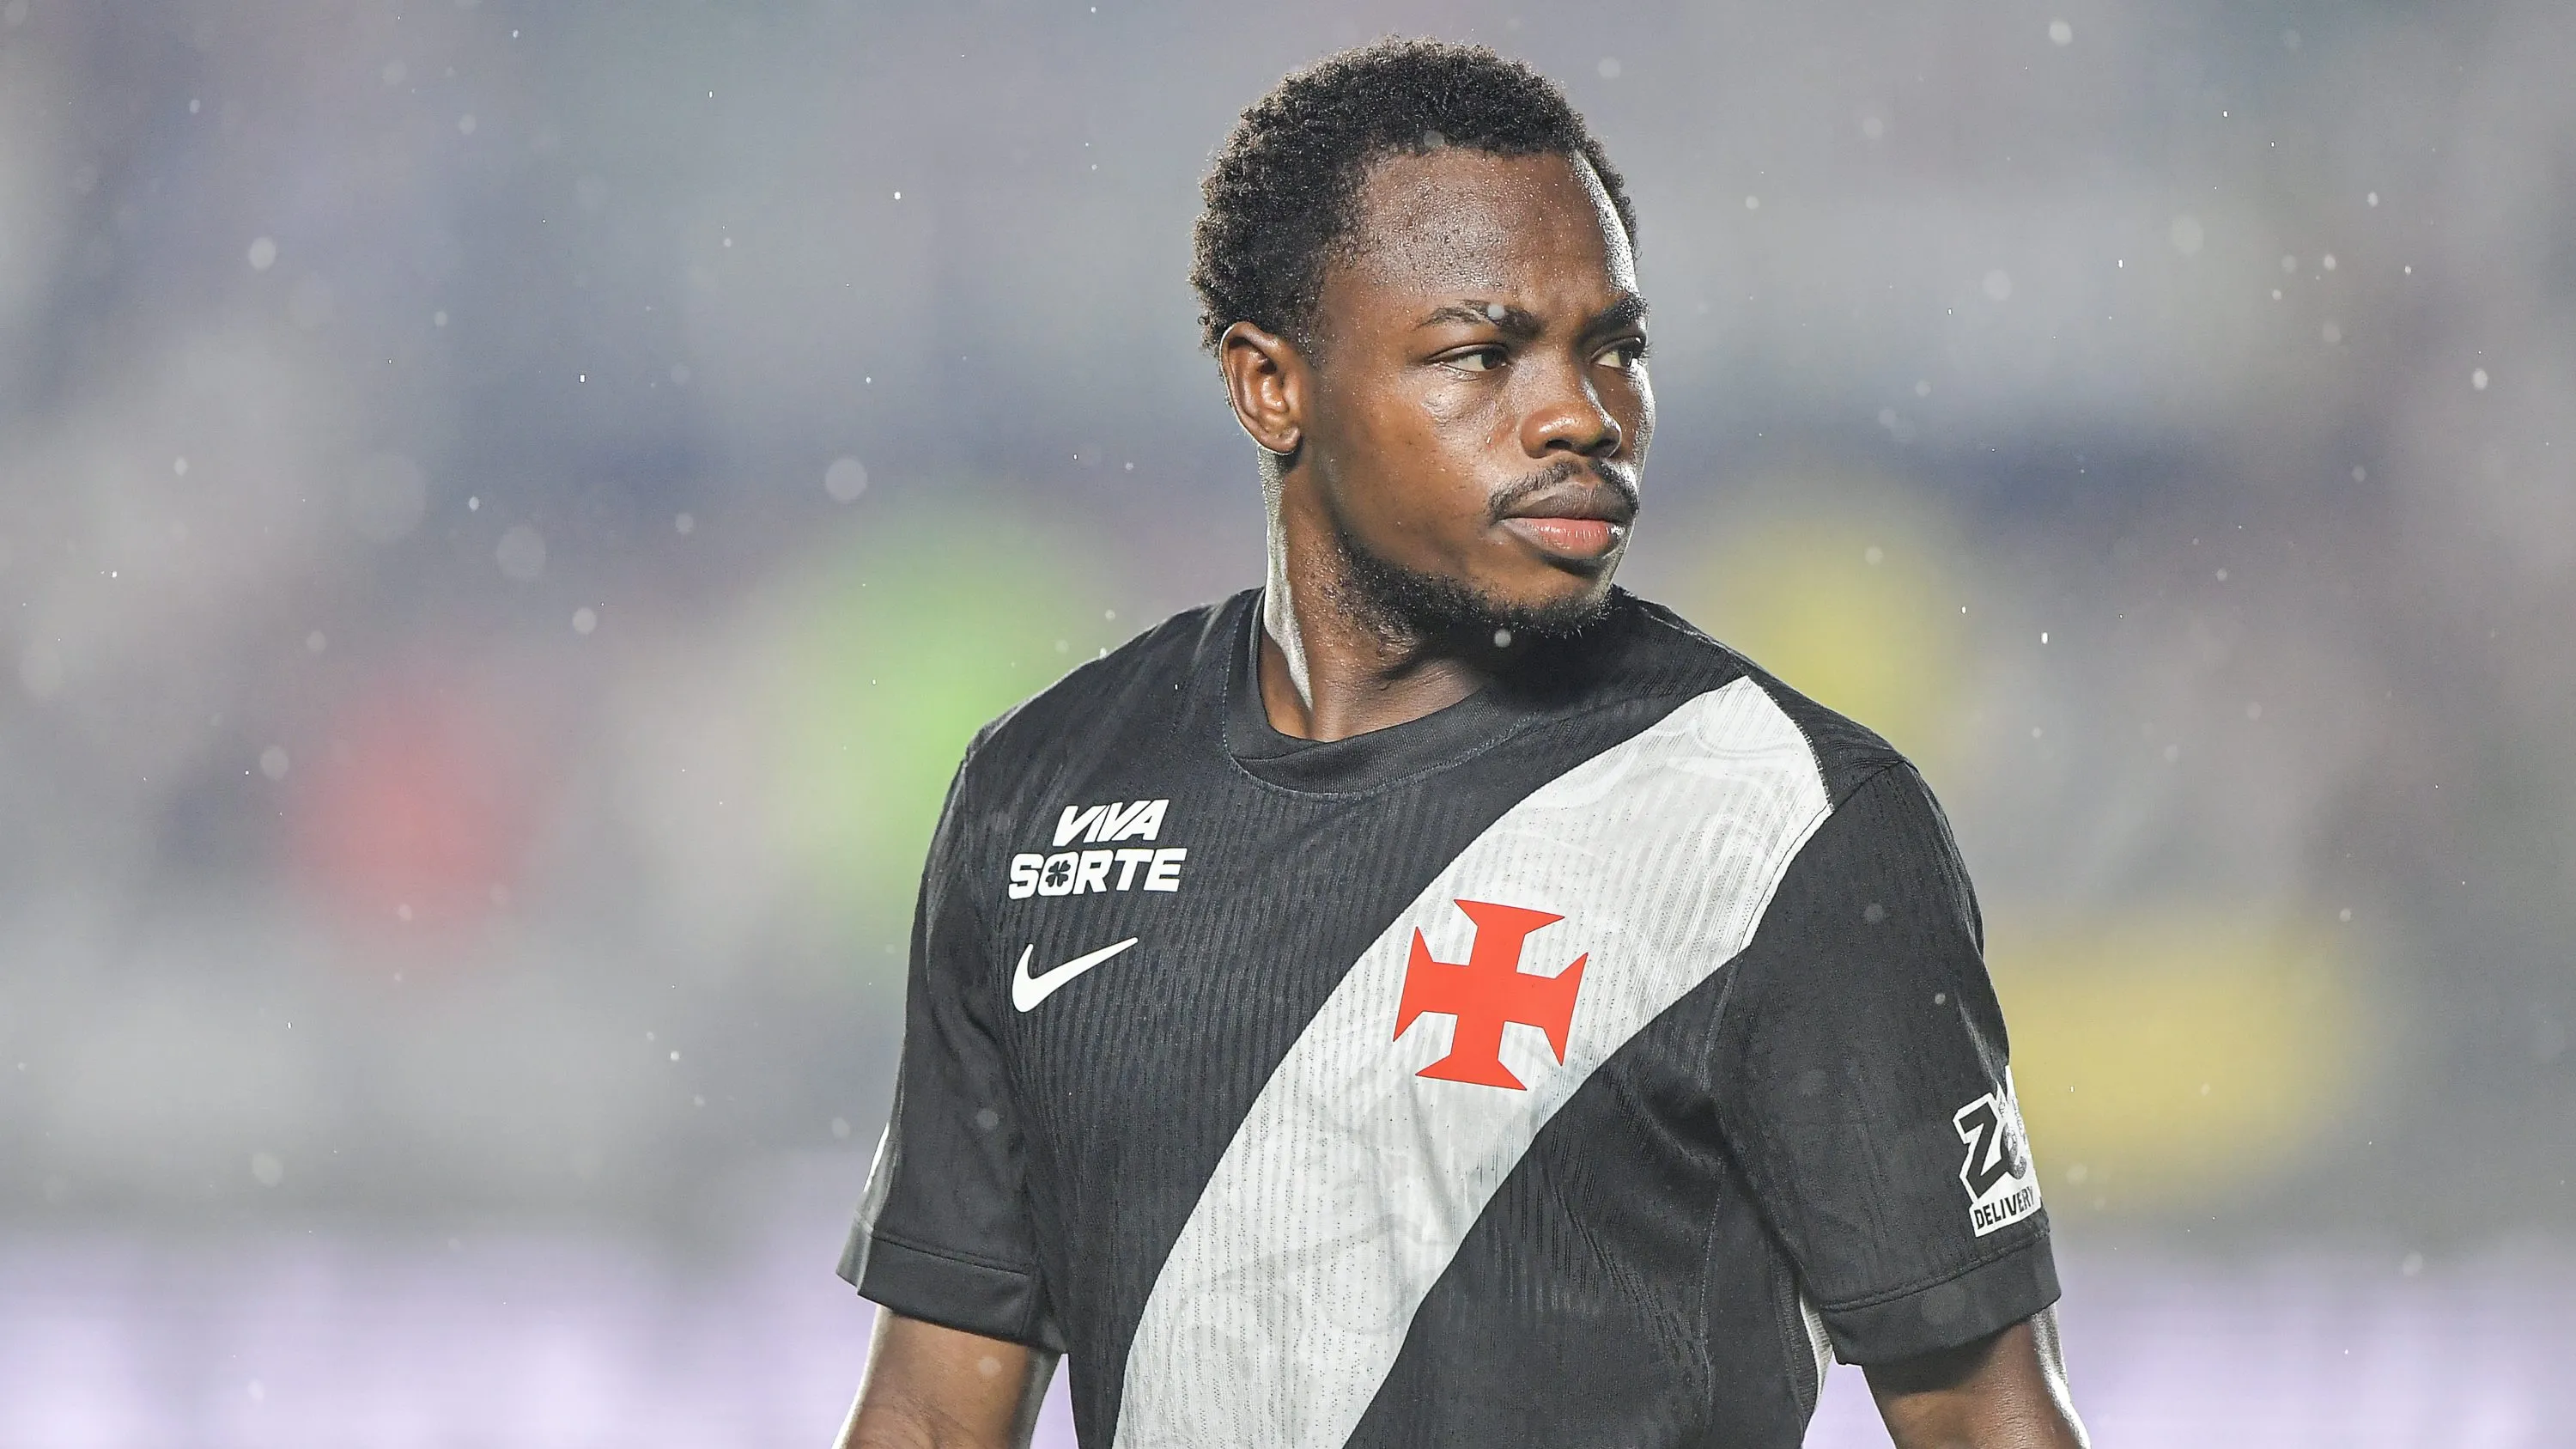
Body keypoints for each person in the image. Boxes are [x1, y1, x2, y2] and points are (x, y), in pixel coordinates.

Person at [831, 39, 2086, 1449]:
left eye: (1616, 346)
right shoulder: (1043, 797)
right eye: (1481, 354)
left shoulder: (1793, 821)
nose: (1583, 414)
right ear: (1271, 388)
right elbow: (936, 1411)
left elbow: (1985, 1419)